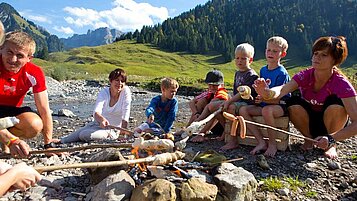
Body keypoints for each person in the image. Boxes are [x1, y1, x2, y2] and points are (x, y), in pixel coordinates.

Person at [254, 36, 357, 159]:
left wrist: (331, 138)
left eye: (324, 55)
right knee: (292, 102)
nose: (316, 57)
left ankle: (331, 145)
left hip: (331, 125)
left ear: (335, 60)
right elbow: (283, 89)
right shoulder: (305, 75)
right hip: (310, 122)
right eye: (315, 53)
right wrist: (267, 93)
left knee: (335, 103)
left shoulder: (341, 83)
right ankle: (308, 139)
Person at [0, 30, 56, 158]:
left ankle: (4, 142)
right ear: (1, 49)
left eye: (20, 55)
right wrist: (11, 140)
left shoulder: (34, 72)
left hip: (11, 112)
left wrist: (48, 145)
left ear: (29, 58)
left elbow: (44, 110)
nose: (13, 59)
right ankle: (6, 141)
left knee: (35, 124)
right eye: (9, 52)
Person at [239, 36, 290, 157]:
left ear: (282, 54)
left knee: (267, 111)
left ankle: (272, 144)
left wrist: (264, 98)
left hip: (279, 106)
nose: (270, 53)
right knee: (243, 110)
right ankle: (261, 141)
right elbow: (262, 91)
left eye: (275, 51)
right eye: (268, 50)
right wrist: (258, 97)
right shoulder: (263, 70)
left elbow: (281, 97)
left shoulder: (282, 73)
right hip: (264, 104)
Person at [61, 68, 132, 143]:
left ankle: (107, 136)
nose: (120, 83)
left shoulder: (126, 92)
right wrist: (102, 119)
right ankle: (52, 144)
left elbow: (126, 114)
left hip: (112, 130)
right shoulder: (104, 92)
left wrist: (122, 133)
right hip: (97, 124)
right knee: (66, 139)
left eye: (122, 81)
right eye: (117, 80)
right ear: (110, 81)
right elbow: (96, 111)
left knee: (84, 134)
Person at [219, 43, 259, 150]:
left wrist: (229, 102)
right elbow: (235, 90)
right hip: (238, 101)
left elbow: (242, 93)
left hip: (248, 102)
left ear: (250, 60)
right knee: (220, 106)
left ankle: (233, 140)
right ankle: (225, 132)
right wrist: (229, 100)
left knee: (231, 107)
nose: (239, 61)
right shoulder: (237, 73)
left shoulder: (251, 75)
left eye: (243, 58)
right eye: (237, 58)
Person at [190, 70, 229, 142]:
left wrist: (199, 120)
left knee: (212, 107)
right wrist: (196, 113)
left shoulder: (222, 94)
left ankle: (201, 133)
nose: (212, 87)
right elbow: (192, 102)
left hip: (222, 126)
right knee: (201, 102)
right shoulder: (208, 93)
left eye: (215, 85)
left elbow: (212, 108)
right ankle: (188, 129)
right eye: (210, 85)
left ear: (222, 85)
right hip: (212, 126)